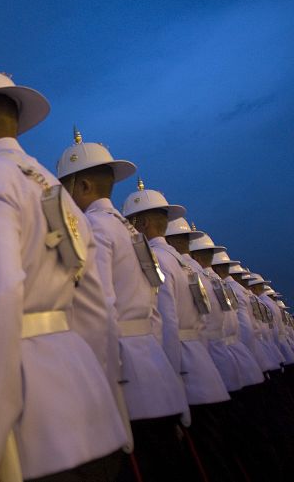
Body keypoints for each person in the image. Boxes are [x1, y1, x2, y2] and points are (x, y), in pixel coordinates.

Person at [0, 60, 127, 482]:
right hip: (89, 411)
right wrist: (108, 402)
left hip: (31, 420)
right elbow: (98, 310)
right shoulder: (57, 192)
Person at [55, 131, 189, 482]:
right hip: (153, 372)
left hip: (125, 380)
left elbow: (98, 312)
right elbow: (160, 315)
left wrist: (96, 387)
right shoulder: (132, 235)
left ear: (82, 186)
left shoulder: (94, 229)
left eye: (65, 190)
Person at [122, 187, 237, 481]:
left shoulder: (157, 260)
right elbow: (215, 322)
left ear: (142, 224)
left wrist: (171, 380)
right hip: (206, 367)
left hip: (185, 374)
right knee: (218, 458)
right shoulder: (190, 266)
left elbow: (166, 323)